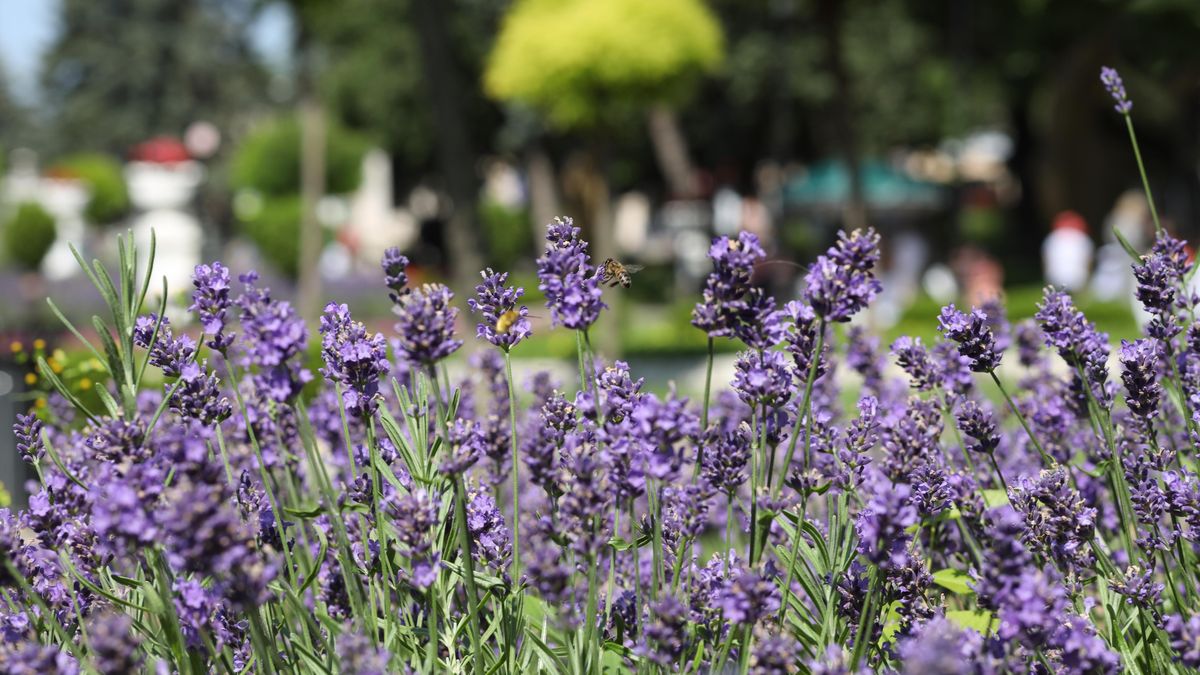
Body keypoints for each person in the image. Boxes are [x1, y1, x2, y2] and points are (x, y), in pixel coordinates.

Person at [1042, 210, 1093, 291]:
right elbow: (1088, 262)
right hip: (1078, 279)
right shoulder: (1083, 238)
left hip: (1055, 278)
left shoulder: (1051, 238)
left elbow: (1046, 260)